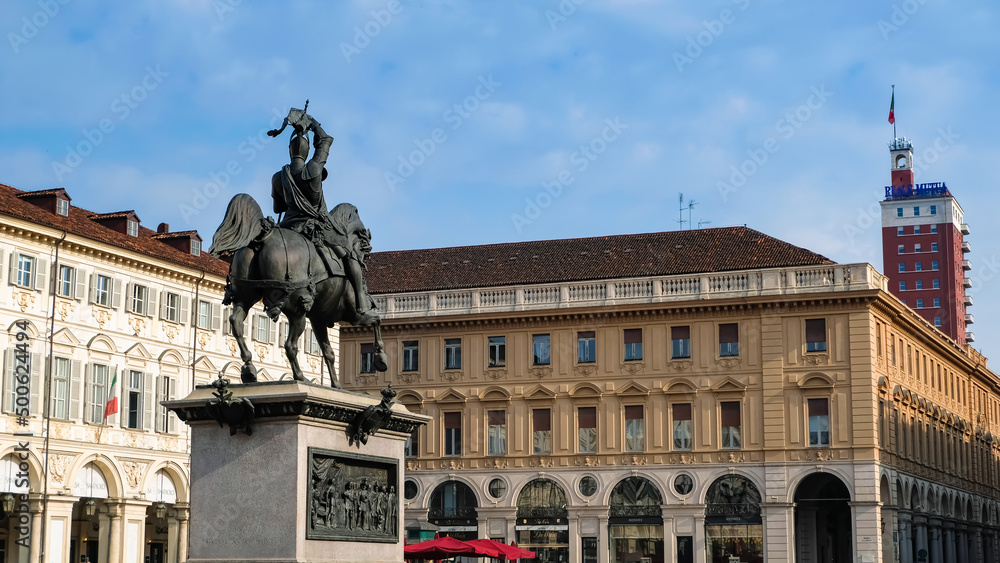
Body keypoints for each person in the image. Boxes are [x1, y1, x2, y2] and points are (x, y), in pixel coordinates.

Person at [268, 105, 378, 323]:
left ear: (290, 151)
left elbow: (277, 209)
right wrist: (313, 122)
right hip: (315, 228)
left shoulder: (278, 176)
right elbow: (326, 139)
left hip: (287, 228)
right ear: (307, 151)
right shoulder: (314, 169)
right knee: (348, 256)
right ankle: (362, 303)